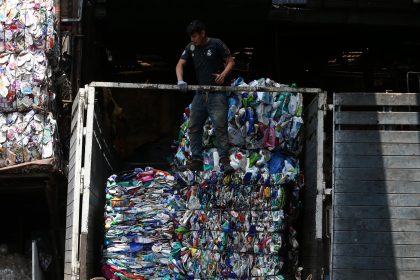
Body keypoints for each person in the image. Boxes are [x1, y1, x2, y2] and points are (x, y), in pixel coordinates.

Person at [176, 20, 235, 173]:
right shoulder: (191, 47)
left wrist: (223, 75)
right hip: (200, 94)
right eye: (191, 36)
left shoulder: (216, 44)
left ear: (203, 33)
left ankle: (224, 161)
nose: (192, 39)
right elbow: (180, 64)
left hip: (217, 93)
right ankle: (196, 161)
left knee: (220, 127)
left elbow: (230, 61)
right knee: (194, 127)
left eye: (194, 36)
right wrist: (180, 80)